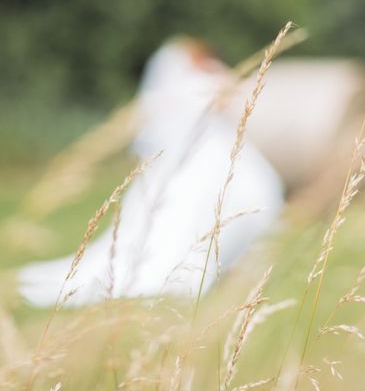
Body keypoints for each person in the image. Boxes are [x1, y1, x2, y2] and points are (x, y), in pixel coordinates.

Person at [18, 37, 284, 307]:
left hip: (208, 149)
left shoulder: (193, 75)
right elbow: (224, 100)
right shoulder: (190, 75)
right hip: (200, 152)